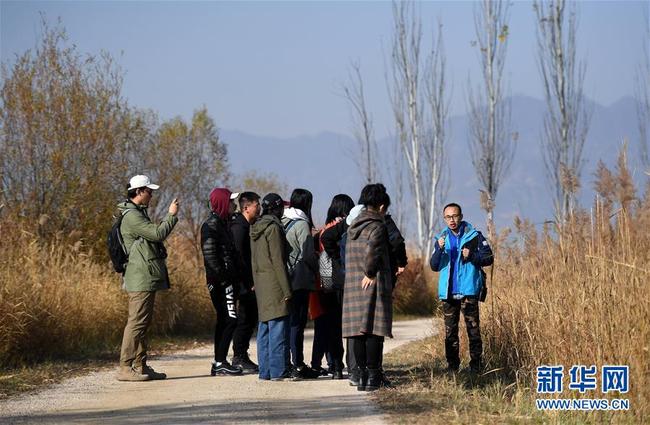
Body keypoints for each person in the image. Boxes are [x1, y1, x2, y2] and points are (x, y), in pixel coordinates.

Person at [116, 175, 179, 382]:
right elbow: (158, 233)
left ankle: (140, 365)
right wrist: (171, 216)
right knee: (136, 322)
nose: (151, 194)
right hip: (139, 277)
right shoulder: (133, 217)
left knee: (142, 322)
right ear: (139, 192)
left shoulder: (137, 214)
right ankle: (125, 367)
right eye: (149, 191)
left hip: (145, 275)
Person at [429, 203, 493, 374]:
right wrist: (438, 249)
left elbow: (488, 258)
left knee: (473, 330)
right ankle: (452, 366)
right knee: (450, 332)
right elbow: (434, 266)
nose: (452, 220)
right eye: (448, 217)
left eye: (455, 216)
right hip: (448, 293)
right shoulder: (441, 239)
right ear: (444, 219)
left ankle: (476, 366)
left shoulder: (475, 236)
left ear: (461, 216)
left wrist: (471, 255)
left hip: (468, 291)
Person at [341, 184, 394, 391]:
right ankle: (373, 377)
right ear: (381, 206)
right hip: (370, 281)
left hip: (353, 283)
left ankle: (360, 376)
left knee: (357, 332)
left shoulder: (353, 226)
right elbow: (373, 251)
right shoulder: (377, 226)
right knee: (373, 329)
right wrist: (371, 273)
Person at [312, 194, 355, 379]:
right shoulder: (351, 229)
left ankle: (336, 366)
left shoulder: (323, 231)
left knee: (333, 326)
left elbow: (321, 259)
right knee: (352, 325)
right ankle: (353, 364)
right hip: (349, 282)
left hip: (327, 282)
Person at [201, 188, 243, 376]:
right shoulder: (211, 225)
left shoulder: (222, 223)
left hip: (225, 280)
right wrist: (224, 278)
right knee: (230, 319)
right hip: (220, 282)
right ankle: (220, 362)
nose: (234, 205)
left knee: (225, 320)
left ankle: (219, 361)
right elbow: (210, 255)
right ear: (222, 203)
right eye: (231, 201)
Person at [250, 193, 292, 381]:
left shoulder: (255, 227)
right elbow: (278, 261)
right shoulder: (273, 228)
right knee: (277, 329)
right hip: (275, 283)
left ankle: (265, 372)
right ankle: (277, 371)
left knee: (264, 328)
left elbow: (253, 260)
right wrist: (287, 289)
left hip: (261, 282)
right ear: (277, 208)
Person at [282, 188, 320, 379]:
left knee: (286, 322)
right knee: (297, 323)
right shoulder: (302, 223)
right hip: (299, 279)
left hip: (283, 277)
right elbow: (308, 254)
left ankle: (285, 362)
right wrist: (318, 269)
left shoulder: (282, 220)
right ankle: (298, 363)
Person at [230, 191, 261, 373]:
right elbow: (240, 258)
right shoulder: (239, 227)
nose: (260, 209)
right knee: (245, 319)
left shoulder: (247, 225)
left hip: (247, 281)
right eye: (257, 205)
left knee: (250, 319)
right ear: (246, 207)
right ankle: (239, 356)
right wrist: (249, 282)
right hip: (243, 283)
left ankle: (242, 354)